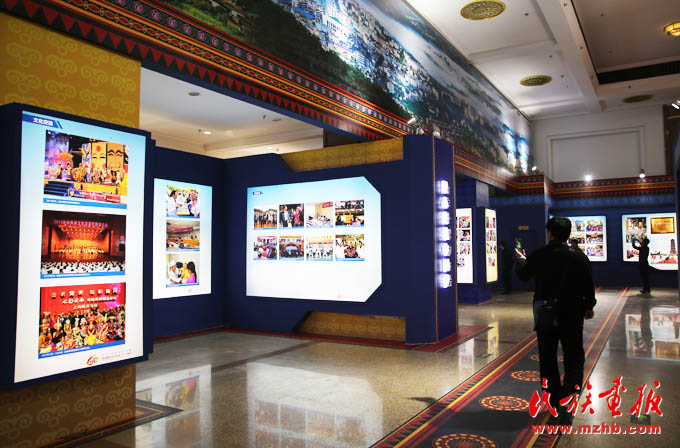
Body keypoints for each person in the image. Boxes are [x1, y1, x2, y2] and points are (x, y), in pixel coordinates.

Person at [516, 217, 596, 424]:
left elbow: (523, 276)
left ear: (550, 233)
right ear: (568, 234)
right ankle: (567, 403)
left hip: (545, 312)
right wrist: (589, 305)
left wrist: (522, 260)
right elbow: (588, 284)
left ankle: (552, 399)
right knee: (574, 357)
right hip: (572, 312)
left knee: (547, 357)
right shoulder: (578, 256)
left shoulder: (540, 255)